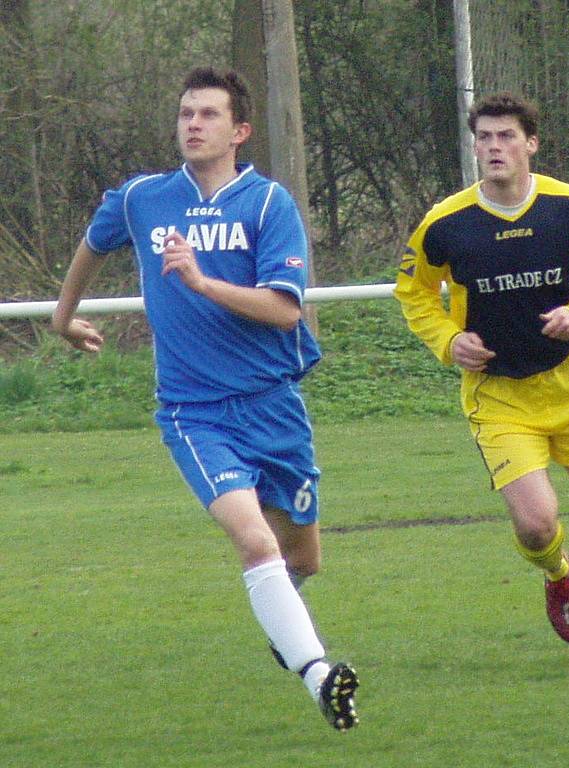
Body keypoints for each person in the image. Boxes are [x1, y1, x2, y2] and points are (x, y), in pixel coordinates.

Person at [52, 67, 359, 728]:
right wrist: (62, 316)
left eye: (208, 115)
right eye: (186, 113)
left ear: (239, 131)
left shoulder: (268, 205)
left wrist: (199, 280)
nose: (193, 124)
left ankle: (284, 621)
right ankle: (319, 673)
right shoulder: (143, 199)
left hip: (274, 406)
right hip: (195, 414)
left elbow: (283, 311)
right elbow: (93, 243)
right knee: (254, 543)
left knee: (301, 556)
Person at [394, 91, 569, 662]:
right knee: (538, 526)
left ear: (530, 143)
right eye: (484, 137)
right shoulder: (446, 224)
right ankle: (558, 576)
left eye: (506, 136)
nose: (493, 146)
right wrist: (447, 339)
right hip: (501, 395)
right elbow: (413, 292)